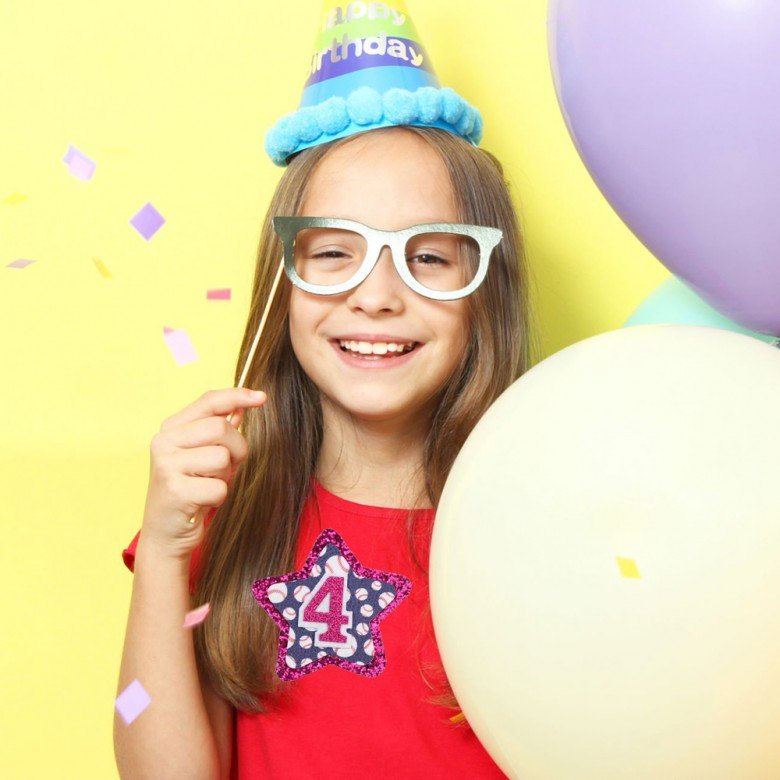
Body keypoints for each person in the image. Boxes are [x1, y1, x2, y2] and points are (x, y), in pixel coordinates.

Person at [114, 3, 539, 778]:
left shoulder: (536, 520)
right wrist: (165, 553)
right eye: (335, 252)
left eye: (429, 257)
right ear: (283, 282)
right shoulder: (222, 511)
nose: (376, 297)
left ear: (485, 290)